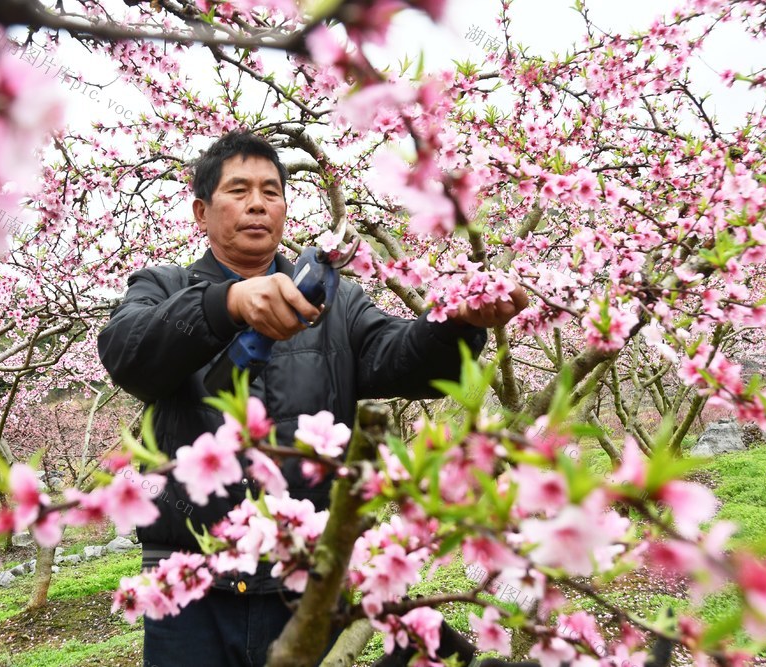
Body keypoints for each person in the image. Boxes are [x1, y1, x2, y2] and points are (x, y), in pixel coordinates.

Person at [97, 131, 528, 667]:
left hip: (305, 580)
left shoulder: (336, 300)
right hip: (191, 584)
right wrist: (225, 304)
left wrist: (453, 323)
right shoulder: (164, 287)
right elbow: (128, 353)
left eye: (271, 191)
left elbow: (396, 355)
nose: (258, 203)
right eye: (239, 190)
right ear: (201, 212)